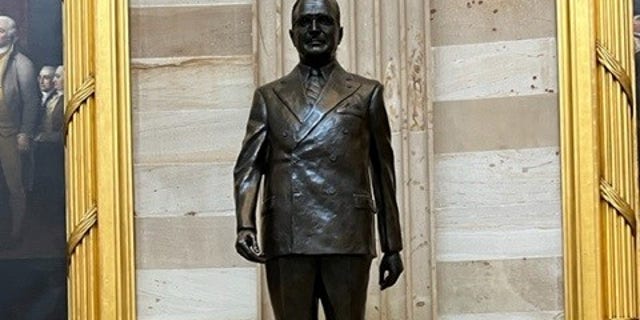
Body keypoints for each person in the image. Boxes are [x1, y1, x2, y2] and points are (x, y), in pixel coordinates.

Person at [233, 0, 403, 318]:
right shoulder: (269, 97)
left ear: (339, 32)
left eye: (323, 21)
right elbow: (249, 166)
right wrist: (245, 224)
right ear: (291, 33)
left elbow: (383, 172)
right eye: (305, 22)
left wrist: (392, 245)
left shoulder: (368, 93)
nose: (313, 30)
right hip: (287, 233)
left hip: (347, 234)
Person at [0, 15, 40, 247]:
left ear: (12, 34)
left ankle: (16, 233)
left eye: (1, 31)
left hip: (10, 134)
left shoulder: (21, 63)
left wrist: (24, 132)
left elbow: (32, 102)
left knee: (15, 186)